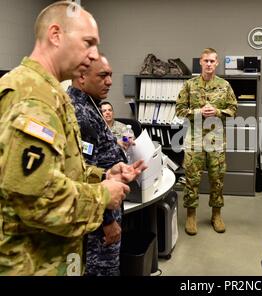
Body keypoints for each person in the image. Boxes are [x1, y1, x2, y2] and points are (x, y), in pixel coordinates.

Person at [0, 1, 145, 275]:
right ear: (56, 35)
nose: (93, 55)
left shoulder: (50, 92)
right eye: (88, 43)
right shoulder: (34, 98)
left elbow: (59, 170)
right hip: (32, 262)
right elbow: (34, 200)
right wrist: (103, 195)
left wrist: (102, 175)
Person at [67, 55, 127, 276]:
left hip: (106, 202)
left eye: (110, 75)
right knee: (102, 269)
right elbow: (84, 176)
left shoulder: (91, 104)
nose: (110, 81)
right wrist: (108, 222)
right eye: (103, 76)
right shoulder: (81, 114)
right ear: (82, 77)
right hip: (98, 216)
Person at [176, 48, 237, 235]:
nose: (209, 64)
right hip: (194, 140)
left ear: (217, 63)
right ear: (200, 63)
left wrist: (218, 112)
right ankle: (191, 215)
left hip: (216, 140)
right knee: (192, 179)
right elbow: (179, 110)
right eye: (206, 61)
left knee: (217, 178)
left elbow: (233, 109)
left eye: (212, 61)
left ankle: (216, 215)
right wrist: (198, 112)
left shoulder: (225, 85)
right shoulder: (189, 85)